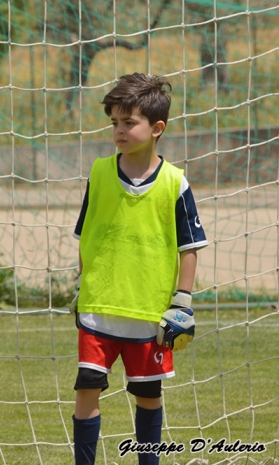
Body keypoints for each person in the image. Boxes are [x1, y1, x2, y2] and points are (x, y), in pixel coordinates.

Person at [69, 73, 208, 465]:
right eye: (114, 122)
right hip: (98, 308)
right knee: (87, 390)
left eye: (128, 122)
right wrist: (83, 283)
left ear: (156, 128)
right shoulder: (98, 173)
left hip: (150, 315)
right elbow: (87, 233)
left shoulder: (175, 183)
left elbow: (189, 247)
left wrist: (182, 302)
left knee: (148, 397)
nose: (119, 130)